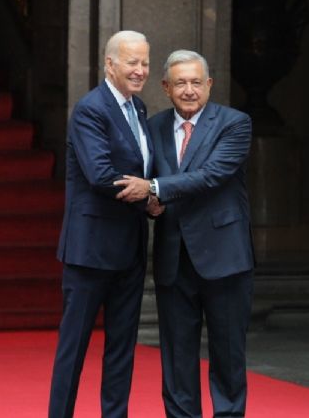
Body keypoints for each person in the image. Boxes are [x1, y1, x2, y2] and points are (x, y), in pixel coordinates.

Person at [115, 49, 254, 417]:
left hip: (224, 257)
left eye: (196, 82)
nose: (189, 90)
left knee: (228, 355)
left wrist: (155, 189)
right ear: (166, 87)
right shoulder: (153, 127)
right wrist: (148, 202)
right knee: (177, 357)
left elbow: (211, 175)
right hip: (173, 258)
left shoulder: (235, 123)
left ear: (209, 85)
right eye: (180, 83)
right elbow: (141, 180)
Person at [48, 30, 155, 418]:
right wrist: (151, 193)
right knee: (73, 346)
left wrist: (153, 193)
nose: (141, 70)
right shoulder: (91, 109)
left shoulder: (138, 109)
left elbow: (142, 170)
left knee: (122, 347)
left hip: (129, 248)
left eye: (145, 62)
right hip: (90, 249)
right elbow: (99, 174)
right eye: (132, 62)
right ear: (109, 64)